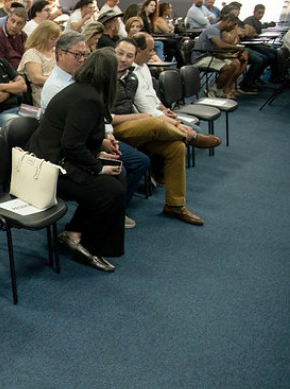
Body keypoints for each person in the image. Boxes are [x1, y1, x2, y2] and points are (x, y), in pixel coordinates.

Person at [26, 48, 125, 272]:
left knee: (118, 179)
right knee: (111, 190)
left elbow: (74, 138)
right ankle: (88, 244)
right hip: (48, 169)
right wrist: (98, 168)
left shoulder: (82, 91)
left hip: (55, 159)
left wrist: (100, 148)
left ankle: (75, 232)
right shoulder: (88, 99)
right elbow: (72, 144)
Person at [40, 33, 148, 224]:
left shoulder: (83, 87)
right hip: (59, 157)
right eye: (77, 55)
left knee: (133, 165)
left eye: (84, 55)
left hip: (78, 146)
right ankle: (93, 222)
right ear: (61, 54)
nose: (81, 60)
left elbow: (93, 122)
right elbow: (70, 139)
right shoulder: (60, 87)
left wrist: (105, 137)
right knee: (113, 180)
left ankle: (108, 214)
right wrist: (97, 163)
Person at [111, 38, 219, 226]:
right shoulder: (103, 75)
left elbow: (147, 107)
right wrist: (140, 118)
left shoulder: (132, 77)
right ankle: (192, 138)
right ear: (113, 51)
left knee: (176, 147)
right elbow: (105, 117)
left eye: (129, 56)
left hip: (134, 127)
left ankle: (175, 205)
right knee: (153, 123)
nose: (123, 59)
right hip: (112, 130)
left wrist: (175, 124)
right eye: (120, 53)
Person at [192, 14, 246, 98]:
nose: (234, 28)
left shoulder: (219, 32)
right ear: (228, 22)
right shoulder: (213, 29)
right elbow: (220, 45)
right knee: (227, 68)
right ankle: (212, 90)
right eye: (234, 24)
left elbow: (218, 51)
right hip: (201, 58)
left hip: (210, 55)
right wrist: (237, 48)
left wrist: (231, 56)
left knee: (234, 65)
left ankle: (216, 88)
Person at [18, 21, 59, 107]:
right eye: (52, 39)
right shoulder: (32, 53)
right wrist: (60, 82)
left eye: (57, 39)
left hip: (58, 89)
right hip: (43, 93)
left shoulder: (55, 52)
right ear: (42, 37)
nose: (55, 42)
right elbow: (37, 79)